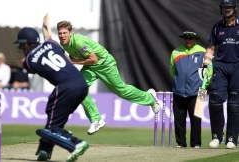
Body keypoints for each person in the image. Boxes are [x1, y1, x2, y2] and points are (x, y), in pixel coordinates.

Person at [57, 21, 162, 135]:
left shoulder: (79, 42)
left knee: (122, 91)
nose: (62, 36)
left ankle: (151, 98)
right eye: (60, 33)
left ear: (70, 33)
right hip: (90, 67)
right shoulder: (63, 43)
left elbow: (93, 59)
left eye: (64, 33)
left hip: (105, 64)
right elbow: (75, 56)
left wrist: (73, 61)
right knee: (78, 89)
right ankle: (96, 120)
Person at [14, 27, 89, 161]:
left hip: (65, 87)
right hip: (82, 84)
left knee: (53, 127)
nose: (21, 47)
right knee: (55, 120)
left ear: (26, 43)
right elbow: (60, 54)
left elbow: (28, 66)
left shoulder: (29, 59)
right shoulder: (52, 43)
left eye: (21, 45)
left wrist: (25, 60)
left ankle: (76, 143)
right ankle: (44, 150)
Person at [203, 0, 239, 149]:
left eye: (229, 7)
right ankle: (217, 136)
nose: (227, 10)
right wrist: (205, 64)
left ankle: (232, 138)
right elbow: (211, 48)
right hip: (220, 67)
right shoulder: (217, 27)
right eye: (224, 7)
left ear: (235, 9)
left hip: (237, 66)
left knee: (234, 104)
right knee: (215, 100)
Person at [170, 31, 206, 148]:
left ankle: (196, 144)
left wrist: (204, 85)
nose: (188, 40)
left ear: (195, 39)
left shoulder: (203, 51)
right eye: (186, 38)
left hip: (200, 91)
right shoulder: (176, 52)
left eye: (191, 38)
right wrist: (178, 83)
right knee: (179, 119)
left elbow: (209, 70)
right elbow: (172, 71)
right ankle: (181, 143)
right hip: (179, 91)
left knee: (196, 119)